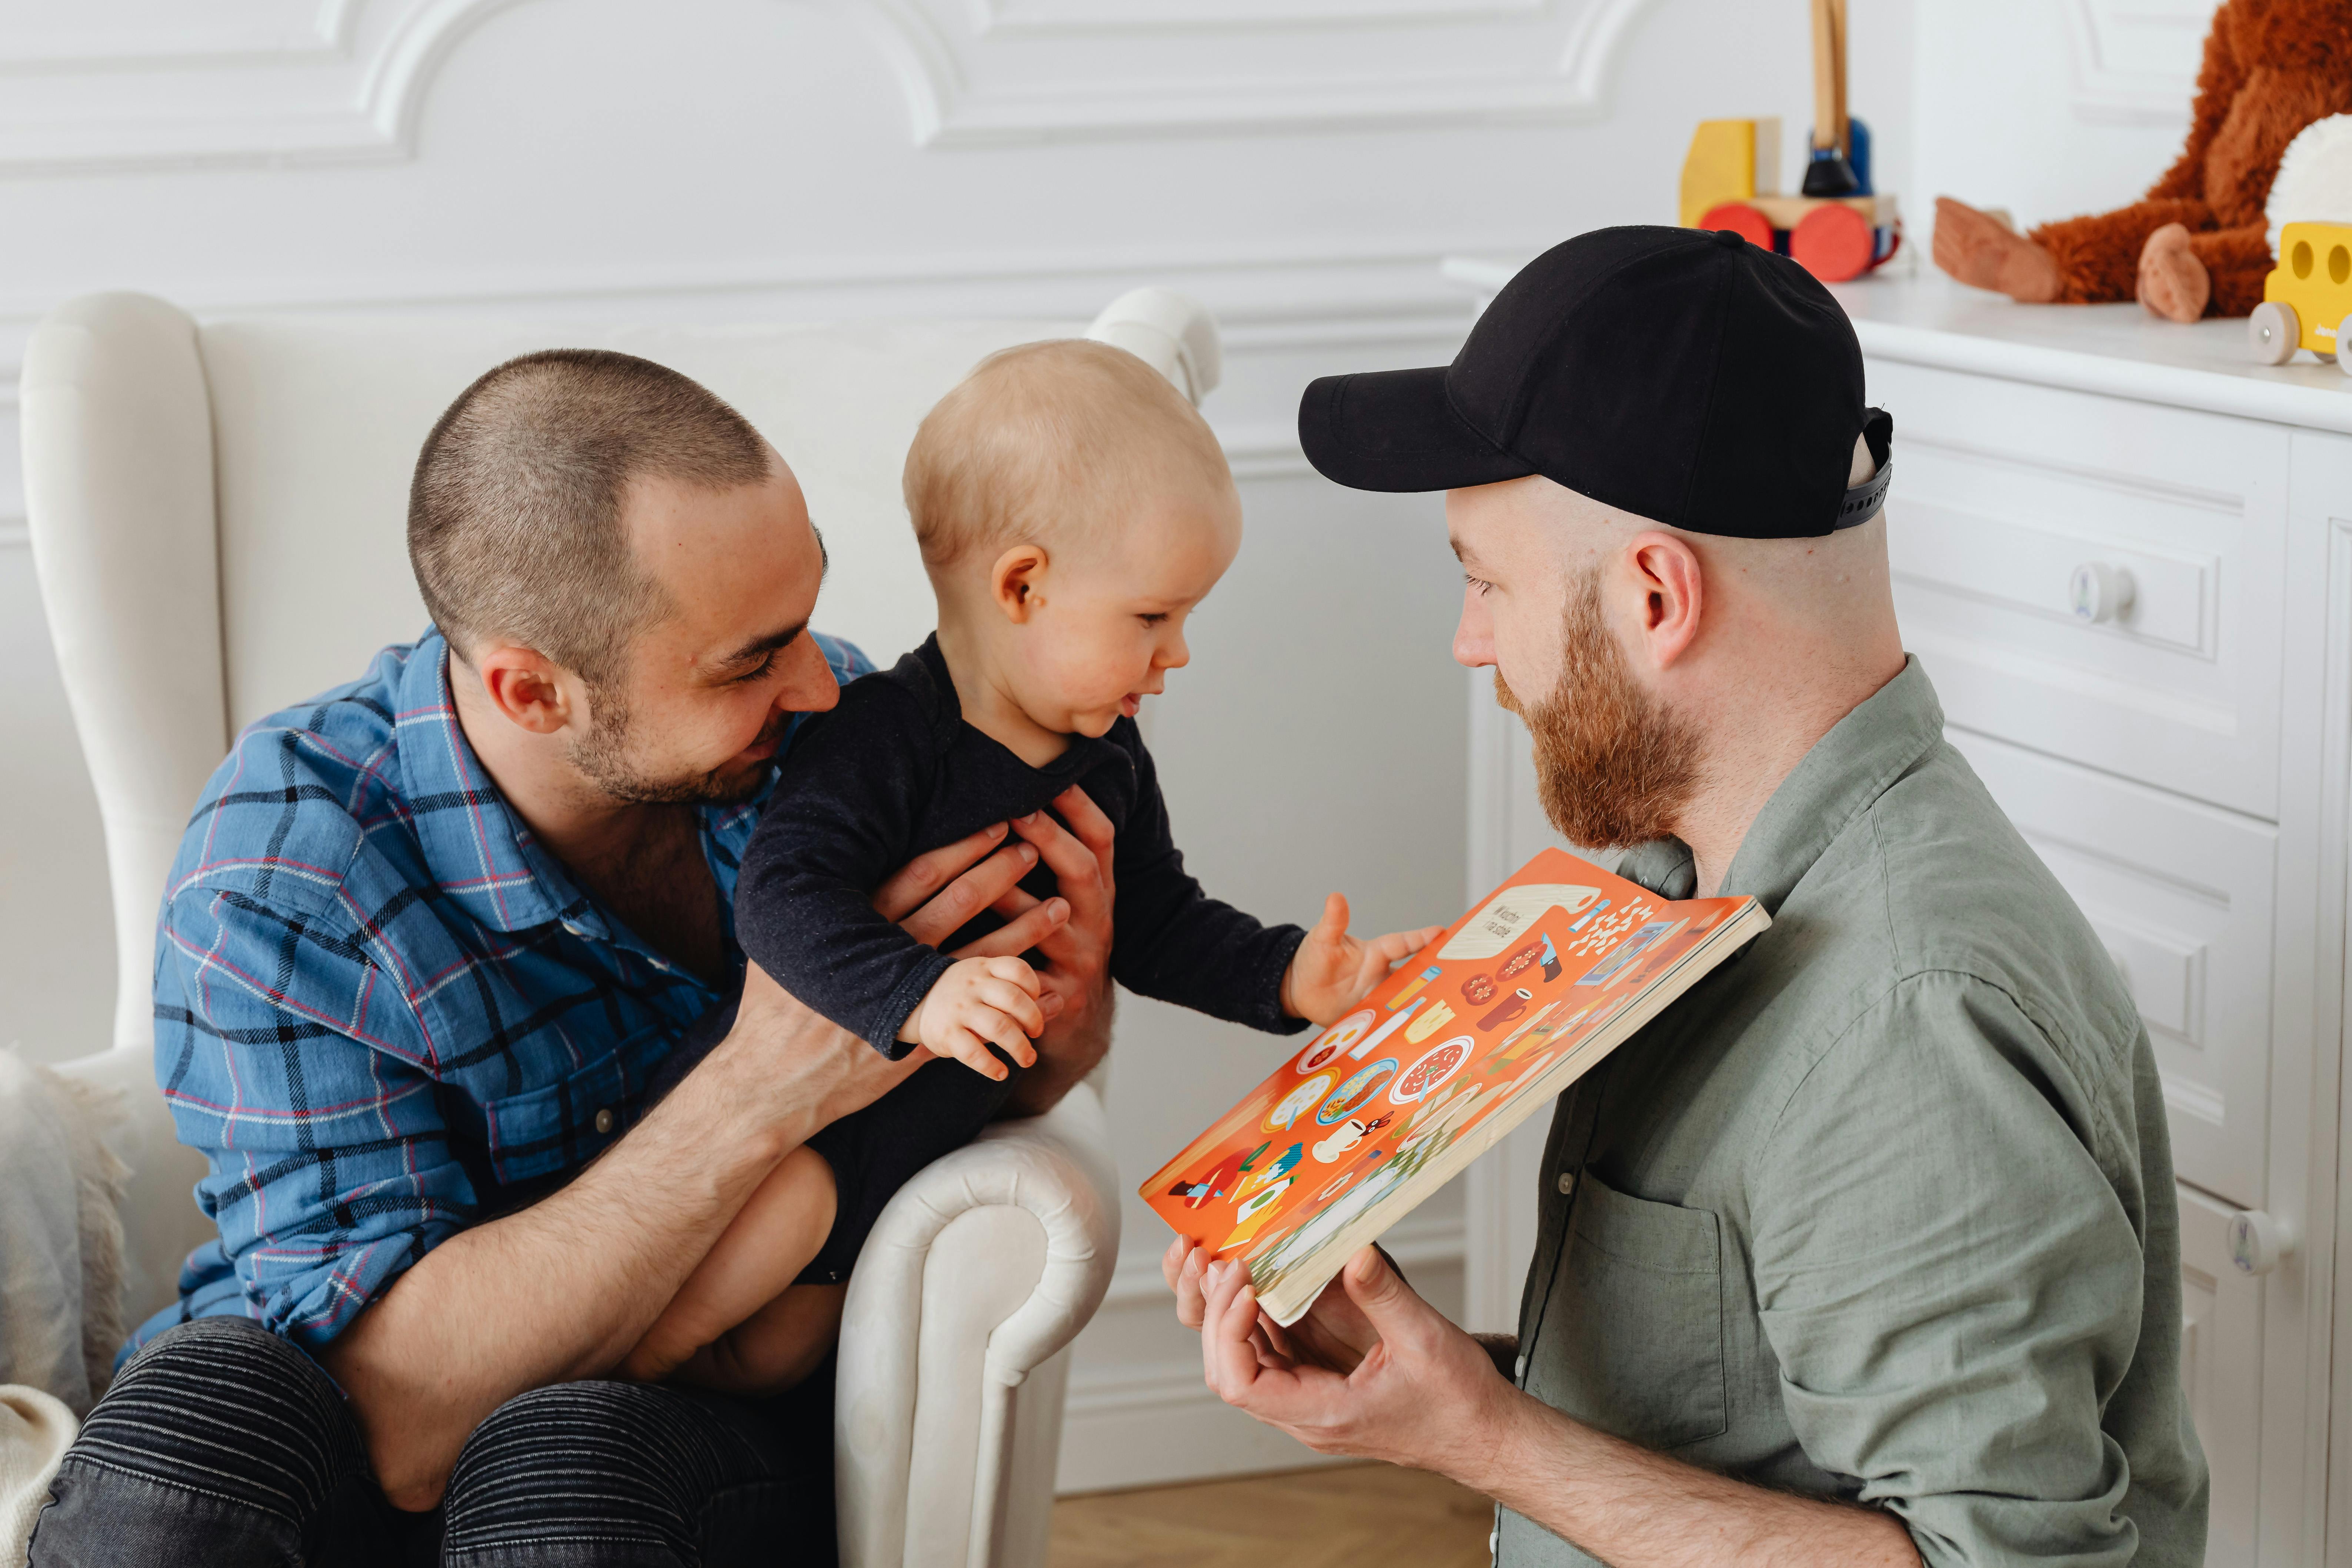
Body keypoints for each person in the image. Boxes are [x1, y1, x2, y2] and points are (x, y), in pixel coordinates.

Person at [1162, 226, 2210, 1566]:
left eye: (1486, 581)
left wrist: (1483, 1437)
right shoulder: (1672, 876)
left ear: (1658, 595)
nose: (1469, 639)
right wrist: (1415, 1375)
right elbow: (1734, 1409)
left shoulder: (1905, 1023)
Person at [29, 349, 1119, 1567]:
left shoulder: (843, 751)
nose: (822, 682)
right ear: (533, 692)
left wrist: (1064, 1020)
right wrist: (764, 1081)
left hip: (680, 1438)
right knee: (191, 1431)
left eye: (806, 615)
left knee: (567, 1466)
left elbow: (981, 1076)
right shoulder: (290, 867)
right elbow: (399, 1422)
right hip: (363, 1402)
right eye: (750, 660)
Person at [620, 340, 1442, 1389]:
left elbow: (1157, 918)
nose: (1178, 651)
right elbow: (780, 900)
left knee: (779, 1363)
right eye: (1153, 617)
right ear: (1022, 586)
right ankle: (582, 1409)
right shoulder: (883, 734)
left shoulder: (1108, 755)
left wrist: (1294, 977)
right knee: (720, 1301)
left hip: (908, 1165)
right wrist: (922, 991)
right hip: (801, 1146)